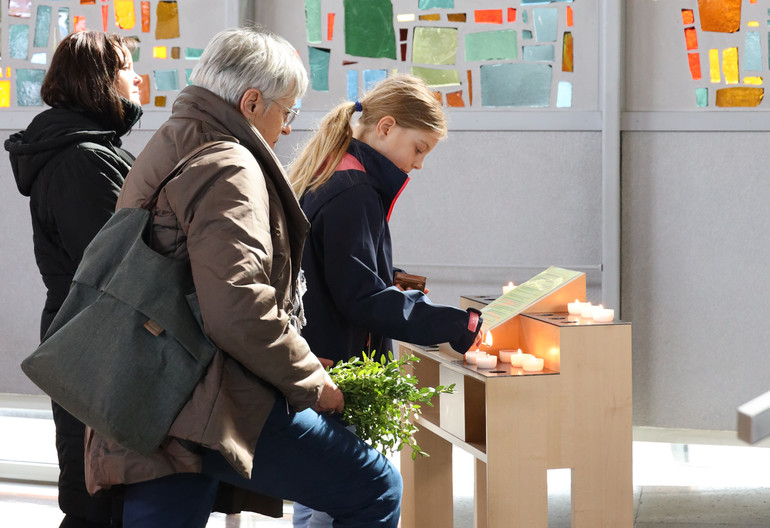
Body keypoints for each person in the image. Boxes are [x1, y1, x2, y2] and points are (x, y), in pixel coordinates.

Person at [81, 27, 402, 528]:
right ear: (252, 102)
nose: (290, 128)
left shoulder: (177, 138)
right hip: (201, 398)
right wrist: (312, 379)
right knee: (376, 487)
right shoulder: (229, 165)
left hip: (158, 390)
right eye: (287, 110)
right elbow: (238, 306)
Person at [288, 75, 483, 528]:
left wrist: (388, 276)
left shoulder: (334, 170)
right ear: (386, 127)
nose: (417, 165)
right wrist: (456, 326)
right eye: (419, 149)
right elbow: (361, 299)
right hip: (339, 369)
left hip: (318, 360)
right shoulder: (354, 191)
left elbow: (334, 271)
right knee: (347, 500)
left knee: (318, 496)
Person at [5, 30, 143, 528]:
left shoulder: (88, 150)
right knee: (96, 502)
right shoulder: (82, 160)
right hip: (91, 348)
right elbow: (116, 266)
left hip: (89, 341)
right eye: (127, 69)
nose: (137, 80)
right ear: (99, 82)